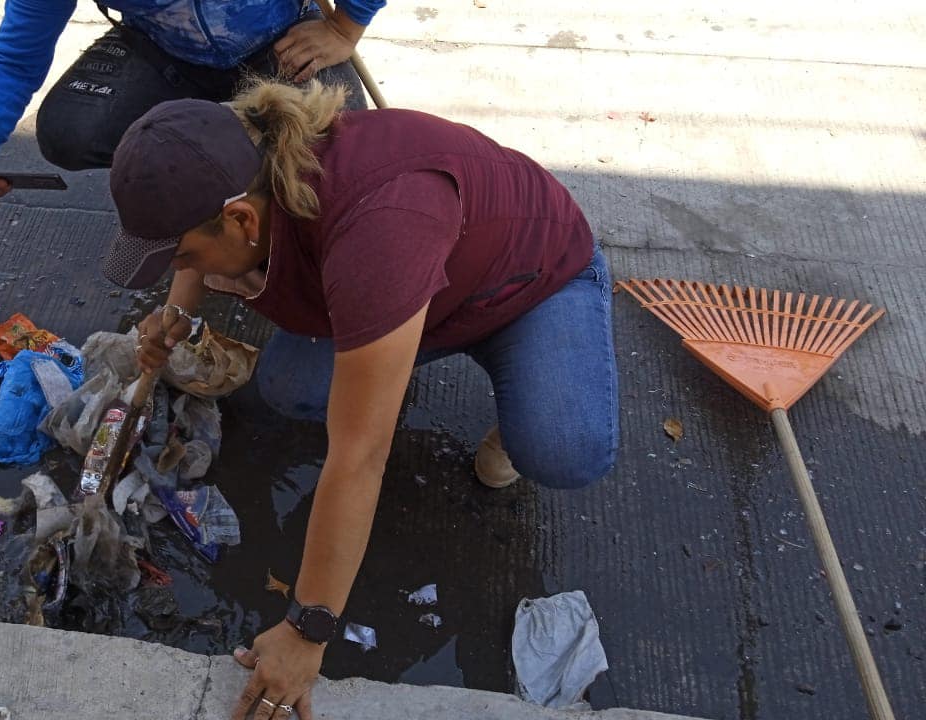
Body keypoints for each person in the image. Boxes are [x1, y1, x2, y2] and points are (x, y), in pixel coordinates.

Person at [103, 80, 619, 720]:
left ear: (243, 220)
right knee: (293, 389)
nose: (183, 266)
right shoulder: (249, 167)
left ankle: (512, 401)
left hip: (530, 284)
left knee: (564, 447)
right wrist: (176, 311)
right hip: (416, 289)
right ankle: (392, 347)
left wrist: (306, 628)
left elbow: (359, 456)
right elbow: (195, 234)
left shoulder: (380, 227)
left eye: (181, 257)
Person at [0, 0, 383, 202]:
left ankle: (249, 194)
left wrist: (345, 27)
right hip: (161, 50)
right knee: (70, 131)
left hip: (281, 41)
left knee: (334, 163)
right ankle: (204, 195)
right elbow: (14, 58)